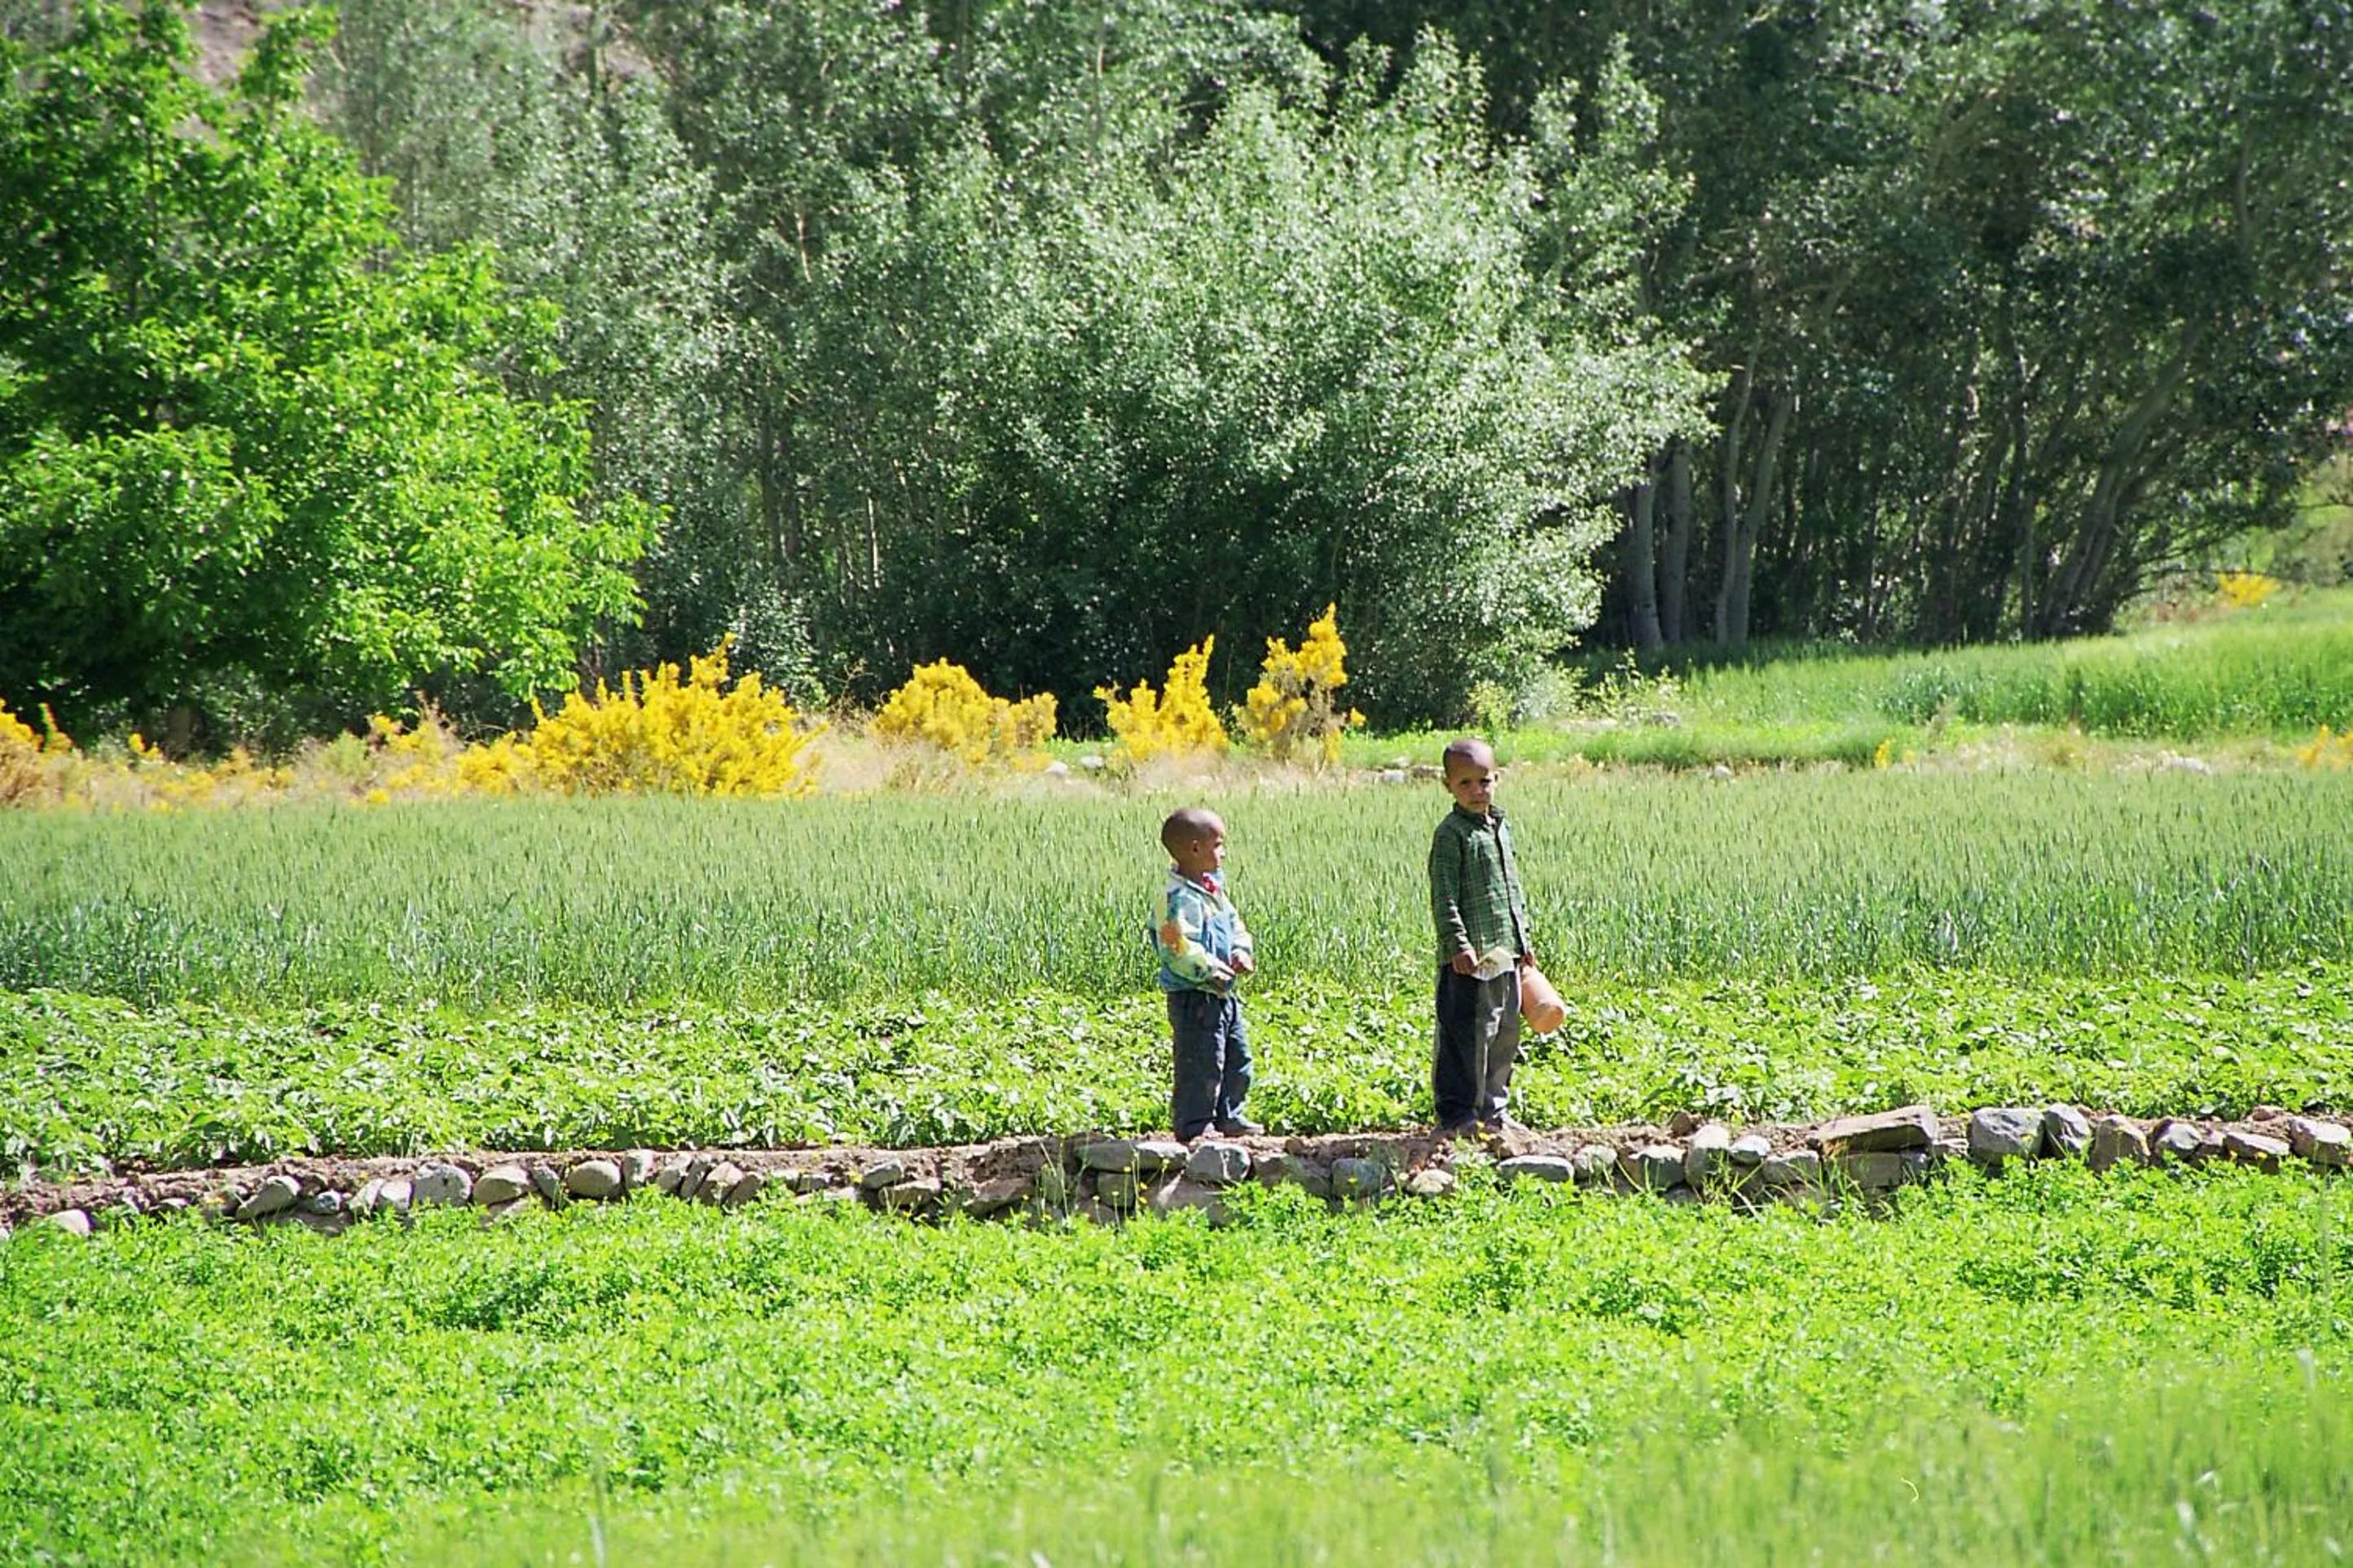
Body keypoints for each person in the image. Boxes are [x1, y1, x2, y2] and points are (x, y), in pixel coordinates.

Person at [1427, 737, 1534, 1137]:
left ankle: (1494, 1107)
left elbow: (1511, 889)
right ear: (1449, 787)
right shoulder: (1452, 834)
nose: (1477, 791)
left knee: (1504, 1032)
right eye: (1466, 783)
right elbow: (1444, 894)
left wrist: (1523, 941)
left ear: (1496, 780)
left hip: (1503, 951)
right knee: (1465, 1035)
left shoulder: (1499, 828)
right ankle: (1458, 1113)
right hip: (1468, 959)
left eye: (1484, 782)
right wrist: (1458, 944)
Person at [1150, 806, 1262, 1141]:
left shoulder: (1214, 894)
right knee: (1200, 1060)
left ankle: (1231, 1115)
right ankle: (1195, 1124)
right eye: (1218, 845)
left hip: (1223, 993)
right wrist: (1209, 969)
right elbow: (1175, 946)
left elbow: (1235, 926)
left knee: (1236, 1056)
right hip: (1194, 995)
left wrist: (1241, 952)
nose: (1223, 852)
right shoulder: (1174, 900)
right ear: (1195, 849)